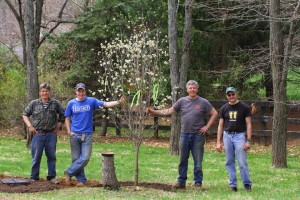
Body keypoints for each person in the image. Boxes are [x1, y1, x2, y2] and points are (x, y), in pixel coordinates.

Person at [147, 80, 218, 189]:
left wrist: (206, 127)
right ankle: (181, 182)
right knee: (182, 160)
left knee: (198, 161)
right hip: (184, 135)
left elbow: (214, 113)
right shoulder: (182, 101)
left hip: (198, 136)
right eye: (190, 88)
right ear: (187, 89)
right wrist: (153, 112)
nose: (192, 90)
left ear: (197, 89)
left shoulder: (203, 102)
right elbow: (168, 111)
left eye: (194, 88)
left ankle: (198, 183)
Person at [64, 83, 125, 186]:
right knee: (76, 158)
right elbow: (67, 118)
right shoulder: (71, 103)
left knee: (85, 158)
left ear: (85, 91)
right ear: (76, 91)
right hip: (74, 134)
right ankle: (81, 180)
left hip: (87, 134)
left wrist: (118, 102)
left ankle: (68, 172)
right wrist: (69, 131)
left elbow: (105, 104)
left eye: (82, 91)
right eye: (79, 91)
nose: (81, 93)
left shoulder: (91, 101)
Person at [22, 83, 65, 184]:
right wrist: (30, 126)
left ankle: (51, 177)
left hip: (51, 134)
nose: (44, 93)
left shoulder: (55, 103)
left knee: (51, 156)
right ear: (40, 92)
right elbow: (25, 114)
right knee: (36, 156)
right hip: (38, 134)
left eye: (46, 91)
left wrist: (58, 126)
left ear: (49, 92)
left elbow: (63, 114)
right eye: (43, 91)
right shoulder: (34, 103)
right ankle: (34, 177)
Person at [216, 86, 252, 192]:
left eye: (233, 94)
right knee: (229, 161)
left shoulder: (244, 107)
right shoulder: (224, 108)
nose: (231, 96)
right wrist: (218, 141)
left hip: (240, 136)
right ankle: (233, 185)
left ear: (237, 94)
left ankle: (247, 184)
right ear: (226, 96)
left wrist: (248, 140)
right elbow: (220, 125)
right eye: (229, 95)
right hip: (227, 136)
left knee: (242, 162)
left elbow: (249, 124)